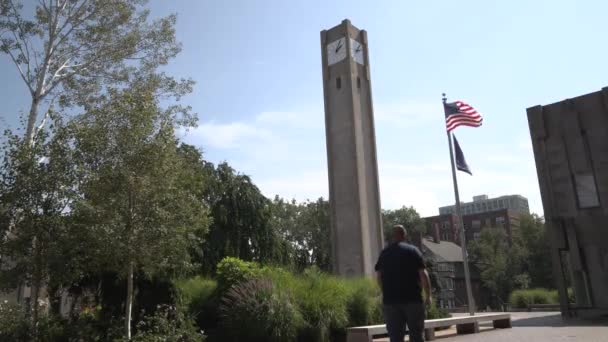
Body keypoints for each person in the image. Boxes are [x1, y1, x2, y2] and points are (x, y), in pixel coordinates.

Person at [375, 224, 432, 342]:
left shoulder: (384, 253)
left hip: (391, 301)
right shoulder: (413, 251)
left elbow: (379, 276)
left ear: (393, 236)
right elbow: (423, 275)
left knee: (395, 337)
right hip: (413, 300)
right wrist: (428, 296)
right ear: (404, 235)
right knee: (416, 335)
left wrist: (384, 292)